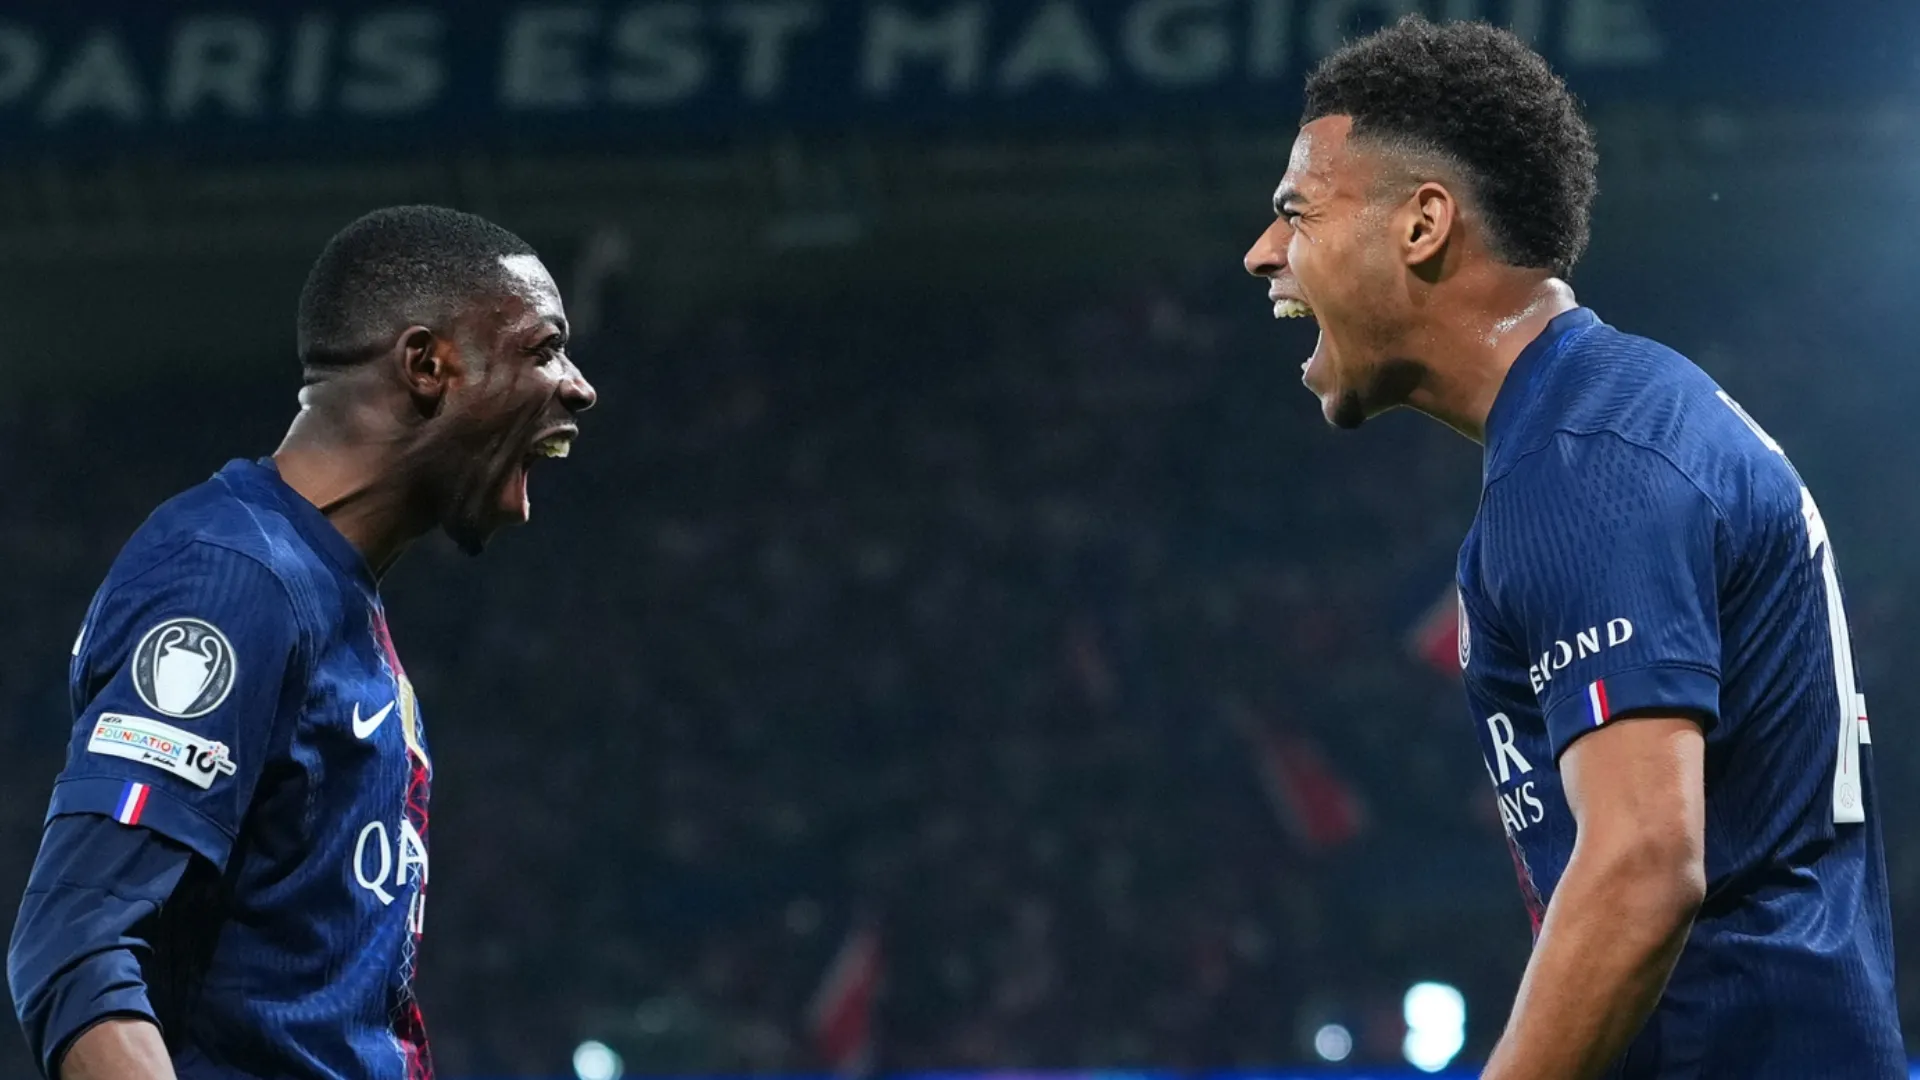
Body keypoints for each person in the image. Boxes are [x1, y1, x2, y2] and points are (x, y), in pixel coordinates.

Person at [1243, 16, 1901, 1079]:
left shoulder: (1584, 464)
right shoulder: (1621, 420)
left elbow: (1644, 866)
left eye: (1295, 211)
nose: (1263, 251)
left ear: (1422, 226)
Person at [8, 205, 597, 1080]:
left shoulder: (328, 592)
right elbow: (73, 946)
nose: (579, 385)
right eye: (543, 348)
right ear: (427, 365)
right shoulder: (230, 578)